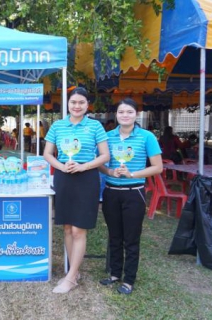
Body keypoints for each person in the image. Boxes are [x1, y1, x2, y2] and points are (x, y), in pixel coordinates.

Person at [43, 87, 110, 294]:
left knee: (79, 229)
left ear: (87, 105)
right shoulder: (57, 125)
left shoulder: (95, 126)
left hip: (86, 177)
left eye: (81, 102)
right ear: (68, 105)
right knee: (66, 228)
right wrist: (61, 166)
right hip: (64, 177)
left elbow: (104, 156)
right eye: (73, 102)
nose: (77, 106)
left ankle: (71, 277)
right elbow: (47, 153)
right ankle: (75, 271)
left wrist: (84, 166)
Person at [99, 98, 162, 295]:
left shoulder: (146, 137)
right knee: (114, 235)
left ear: (136, 114)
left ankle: (129, 279)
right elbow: (99, 162)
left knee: (131, 238)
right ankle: (115, 273)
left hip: (134, 193)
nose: (125, 115)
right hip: (111, 192)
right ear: (115, 115)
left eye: (129, 112)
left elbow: (157, 167)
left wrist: (132, 174)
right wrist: (110, 173)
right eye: (121, 112)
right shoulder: (107, 137)